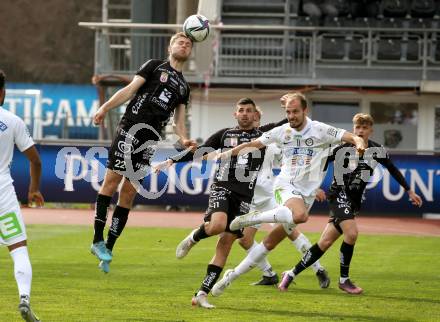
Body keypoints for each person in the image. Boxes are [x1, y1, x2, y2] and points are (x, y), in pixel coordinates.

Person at [210, 92, 366, 296]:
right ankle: (253, 218)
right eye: (288, 112)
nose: (291, 116)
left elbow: (350, 136)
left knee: (268, 245)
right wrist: (227, 153)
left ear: (304, 111)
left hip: (306, 194)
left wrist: (359, 142)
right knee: (300, 216)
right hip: (285, 186)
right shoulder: (281, 131)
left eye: (295, 112)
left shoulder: (320, 130)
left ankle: (231, 276)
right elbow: (253, 144)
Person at [155, 98, 288, 308]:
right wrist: (171, 161)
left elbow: (289, 121)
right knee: (216, 226)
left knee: (226, 243)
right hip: (222, 187)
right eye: (241, 110)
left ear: (255, 115)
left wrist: (291, 101)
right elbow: (198, 151)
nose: (245, 113)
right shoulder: (225, 134)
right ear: (235, 114)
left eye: (249, 111)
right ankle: (193, 237)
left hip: (245, 197)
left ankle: (201, 294)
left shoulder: (265, 134)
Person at [277, 113, 423, 294]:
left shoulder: (377, 150)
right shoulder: (341, 148)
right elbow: (317, 163)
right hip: (338, 195)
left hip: (353, 202)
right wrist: (314, 188)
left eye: (364, 128)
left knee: (325, 242)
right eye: (358, 128)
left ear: (371, 130)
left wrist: (409, 190)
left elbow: (392, 169)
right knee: (352, 233)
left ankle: (291, 274)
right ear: (353, 129)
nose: (360, 131)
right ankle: (344, 280)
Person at [90, 32, 196, 273]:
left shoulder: (184, 88)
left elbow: (179, 121)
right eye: (181, 42)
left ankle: (108, 247)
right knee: (111, 181)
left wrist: (184, 137)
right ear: (171, 47)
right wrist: (105, 108)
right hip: (130, 129)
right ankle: (97, 239)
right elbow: (129, 90)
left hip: (150, 140)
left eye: (188, 44)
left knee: (128, 193)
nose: (185, 45)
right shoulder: (154, 66)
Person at [237, 105, 330, 287]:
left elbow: (293, 164)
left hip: (271, 194)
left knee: (291, 232)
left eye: (253, 114)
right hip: (252, 198)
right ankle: (269, 274)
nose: (248, 117)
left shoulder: (270, 141)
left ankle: (318, 269)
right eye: (243, 113)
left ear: (258, 117)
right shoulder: (234, 139)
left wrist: (311, 188)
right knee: (244, 239)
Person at [0, 69, 43, 321]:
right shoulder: (13, 120)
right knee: (18, 250)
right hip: (3, 192)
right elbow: (35, 161)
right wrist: (33, 189)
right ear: (3, 92)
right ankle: (24, 298)